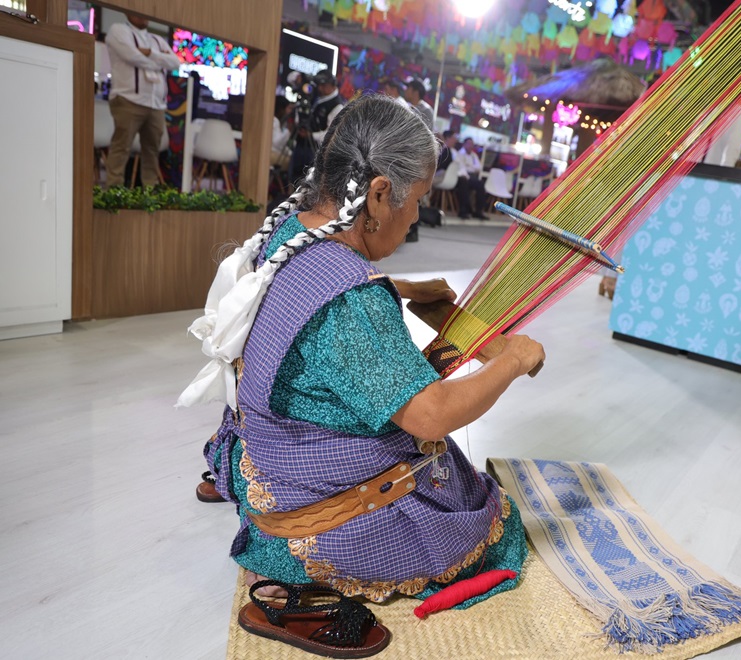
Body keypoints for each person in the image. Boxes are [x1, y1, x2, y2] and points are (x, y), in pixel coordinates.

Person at [179, 96, 543, 618]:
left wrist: (396, 286)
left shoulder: (291, 230)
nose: (418, 214)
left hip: (264, 449)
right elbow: (431, 415)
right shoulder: (354, 302)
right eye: (417, 198)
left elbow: (308, 294)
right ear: (376, 197)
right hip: (308, 498)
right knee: (477, 510)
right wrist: (512, 359)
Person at [104, 13, 180, 187]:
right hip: (128, 100)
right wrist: (159, 62)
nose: (143, 16)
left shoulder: (157, 40)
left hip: (156, 104)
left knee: (152, 152)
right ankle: (113, 192)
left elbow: (175, 62)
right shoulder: (118, 31)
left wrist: (150, 53)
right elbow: (132, 56)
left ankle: (149, 194)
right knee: (121, 148)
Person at [290, 72, 345, 181]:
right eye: (318, 85)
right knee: (293, 176)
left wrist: (311, 135)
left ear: (333, 85)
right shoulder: (315, 96)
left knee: (308, 181)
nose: (320, 88)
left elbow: (331, 134)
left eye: (324, 85)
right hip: (300, 144)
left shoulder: (337, 106)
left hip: (315, 149)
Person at [455, 137, 488, 219]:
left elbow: (479, 167)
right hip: (460, 176)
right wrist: (471, 168)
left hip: (472, 176)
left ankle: (478, 211)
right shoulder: (459, 154)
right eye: (469, 144)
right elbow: (461, 167)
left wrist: (469, 166)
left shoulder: (474, 155)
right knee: (464, 183)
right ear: (464, 144)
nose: (471, 146)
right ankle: (463, 210)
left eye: (472, 144)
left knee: (480, 184)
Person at [270, 96, 294, 168]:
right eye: (289, 108)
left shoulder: (280, 121)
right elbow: (276, 143)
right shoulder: (274, 121)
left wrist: (290, 153)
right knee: (294, 162)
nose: (290, 111)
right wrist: (289, 131)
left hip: (275, 151)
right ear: (281, 109)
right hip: (271, 153)